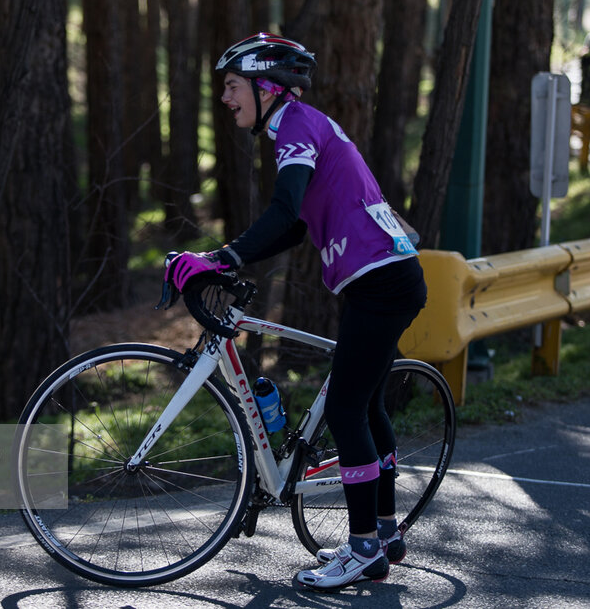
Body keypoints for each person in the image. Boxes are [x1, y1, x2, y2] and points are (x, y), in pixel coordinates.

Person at [166, 32, 428, 592]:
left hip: (382, 281)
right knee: (367, 405)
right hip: (383, 278)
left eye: (233, 87)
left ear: (268, 88)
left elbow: (284, 208)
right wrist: (230, 259)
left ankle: (361, 550)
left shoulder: (297, 127)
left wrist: (222, 256)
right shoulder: (298, 128)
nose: (226, 99)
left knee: (348, 408)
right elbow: (290, 224)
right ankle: (383, 534)